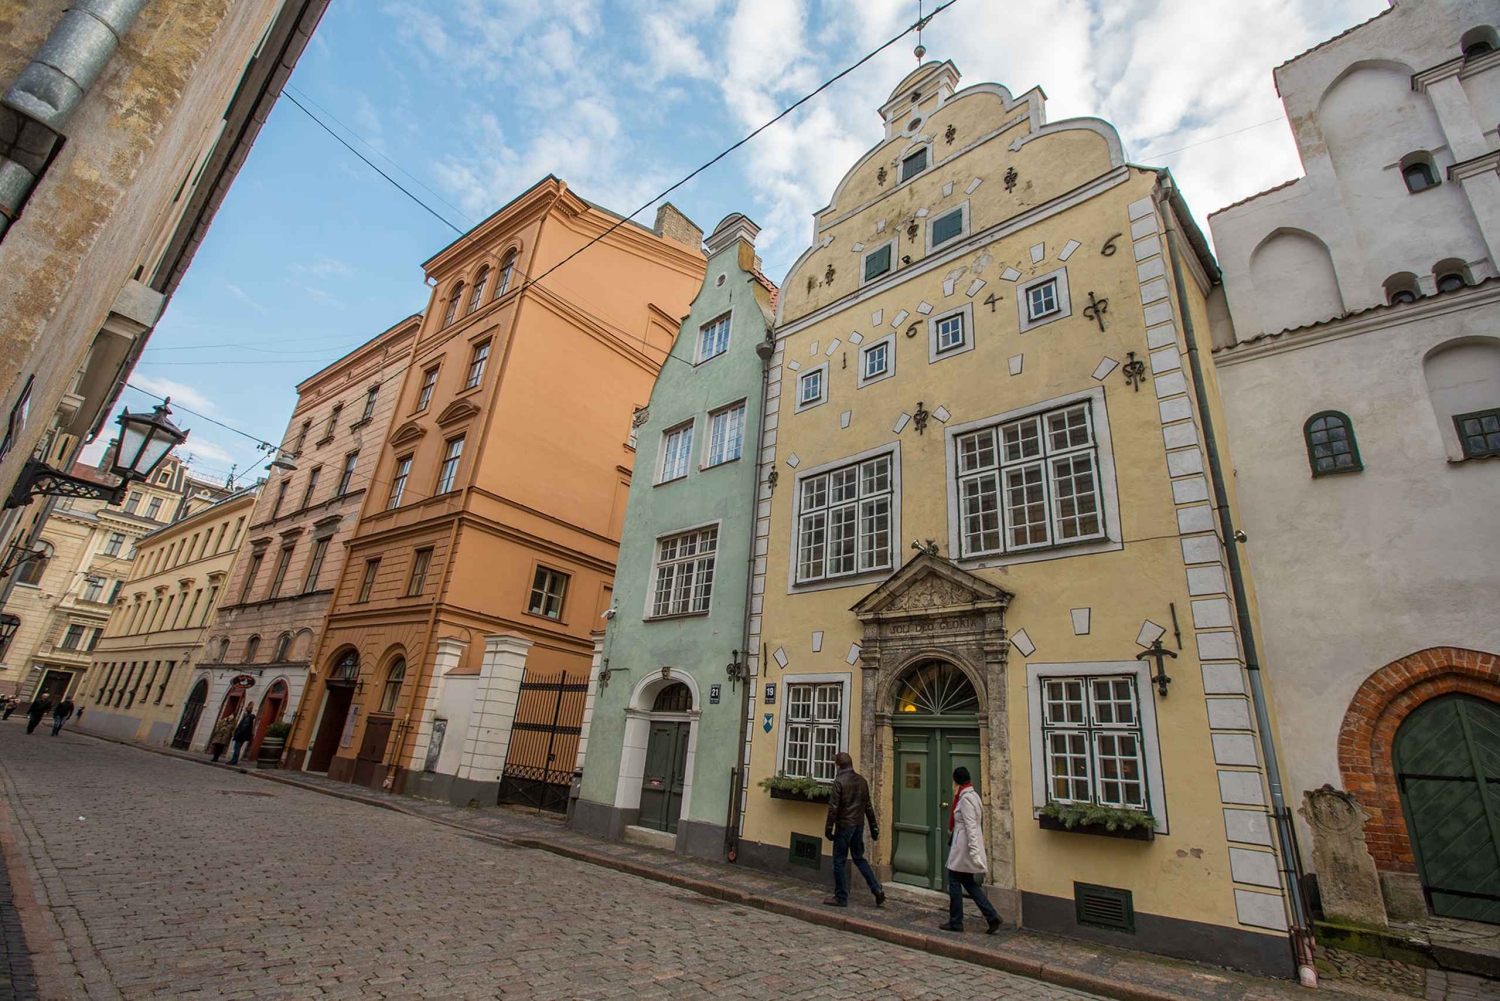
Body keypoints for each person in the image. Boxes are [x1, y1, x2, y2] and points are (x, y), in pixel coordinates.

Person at [940, 766, 1002, 934]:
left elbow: (970, 827)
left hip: (963, 848)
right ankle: (992, 916)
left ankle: (956, 921)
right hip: (965, 847)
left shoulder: (966, 799)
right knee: (969, 883)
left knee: (954, 881)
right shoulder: (973, 796)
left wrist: (974, 852)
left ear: (956, 781)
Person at [822, 751, 885, 909]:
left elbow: (833, 808)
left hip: (844, 826)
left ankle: (841, 896)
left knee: (839, 861)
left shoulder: (839, 781)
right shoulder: (862, 781)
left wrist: (829, 829)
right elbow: (868, 807)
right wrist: (874, 827)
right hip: (858, 825)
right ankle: (876, 889)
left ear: (838, 765)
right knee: (859, 859)